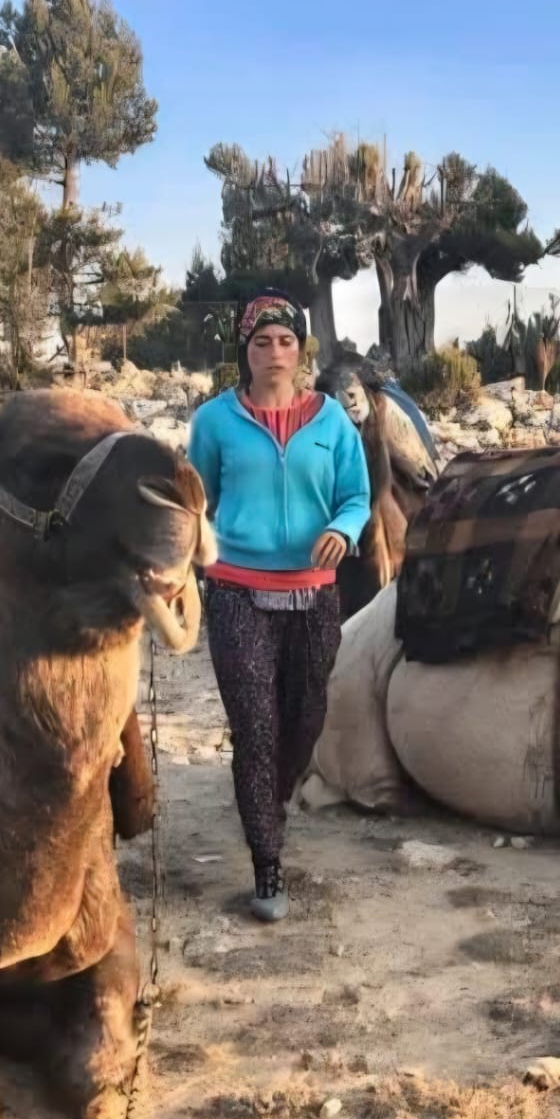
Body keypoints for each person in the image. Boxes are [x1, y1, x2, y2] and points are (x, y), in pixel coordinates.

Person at [187, 293, 371, 922]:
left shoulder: (332, 423)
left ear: (301, 350)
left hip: (314, 593)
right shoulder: (213, 423)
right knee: (256, 728)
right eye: (261, 342)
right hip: (237, 591)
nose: (274, 353)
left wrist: (344, 530)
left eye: (285, 342)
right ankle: (267, 862)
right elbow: (197, 502)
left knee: (305, 718)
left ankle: (273, 793)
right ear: (245, 350)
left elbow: (357, 495)